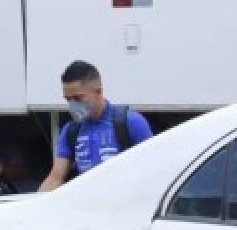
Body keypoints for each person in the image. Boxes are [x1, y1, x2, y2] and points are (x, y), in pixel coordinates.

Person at [39, 60, 154, 192]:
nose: (72, 105)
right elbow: (55, 177)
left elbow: (153, 169)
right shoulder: (71, 130)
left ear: (98, 92)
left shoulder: (130, 122)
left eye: (77, 98)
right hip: (88, 208)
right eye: (67, 99)